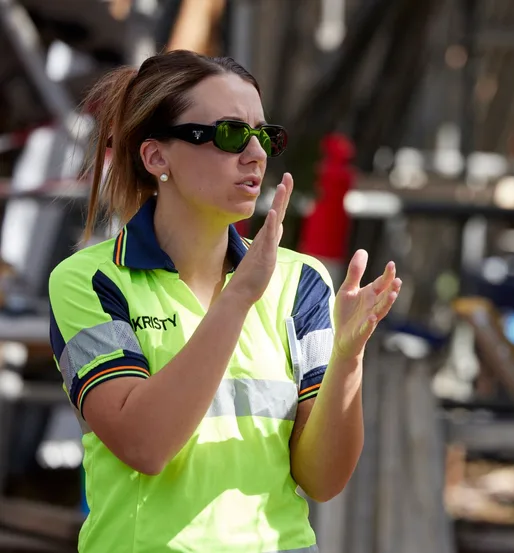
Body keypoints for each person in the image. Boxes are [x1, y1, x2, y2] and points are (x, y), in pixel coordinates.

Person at [48, 50, 401, 553]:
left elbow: (322, 481)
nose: (256, 155)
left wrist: (348, 357)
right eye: (231, 135)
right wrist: (237, 299)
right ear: (156, 157)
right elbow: (145, 445)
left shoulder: (300, 281)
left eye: (264, 136)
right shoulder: (89, 280)